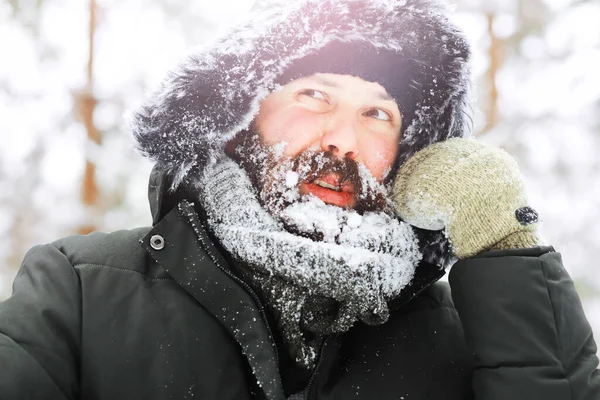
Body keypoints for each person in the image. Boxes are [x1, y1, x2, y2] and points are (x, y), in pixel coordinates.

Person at [1, 0, 598, 399]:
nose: (344, 139)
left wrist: (502, 242)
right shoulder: (79, 291)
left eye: (376, 114)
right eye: (314, 95)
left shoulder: (463, 327)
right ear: (240, 120)